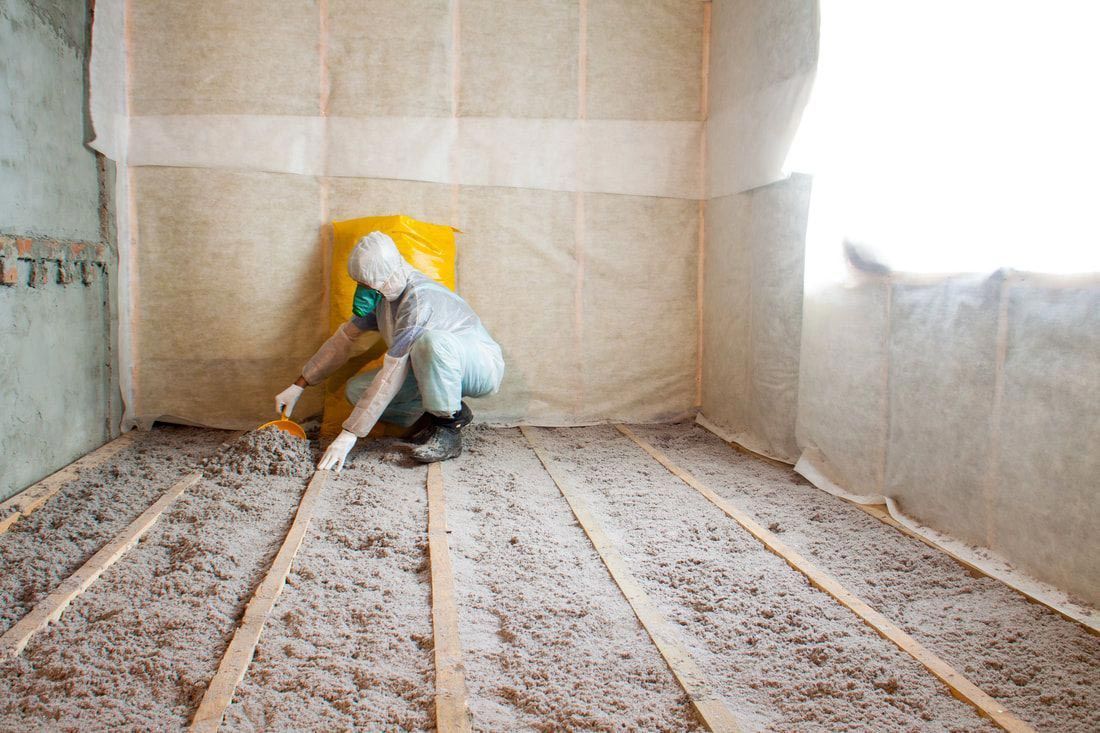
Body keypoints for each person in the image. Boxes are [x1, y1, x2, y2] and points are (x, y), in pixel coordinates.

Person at [274, 231, 504, 470]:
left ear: (387, 277)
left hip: (480, 364)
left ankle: (449, 428)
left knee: (431, 343)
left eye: (366, 285)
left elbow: (392, 373)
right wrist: (299, 384)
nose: (362, 291)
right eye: (358, 284)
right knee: (357, 390)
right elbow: (343, 339)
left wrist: (349, 433)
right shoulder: (384, 298)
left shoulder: (419, 302)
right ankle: (446, 414)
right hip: (439, 366)